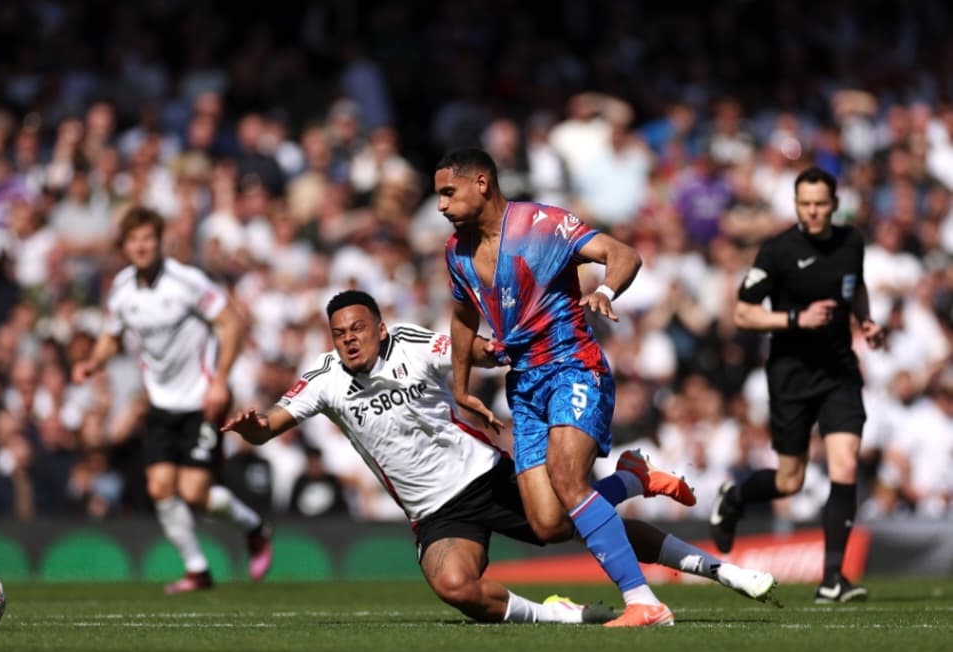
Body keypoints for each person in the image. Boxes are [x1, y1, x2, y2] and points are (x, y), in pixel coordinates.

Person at [223, 291, 776, 626]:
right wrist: (253, 428)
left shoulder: (413, 345)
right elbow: (269, 425)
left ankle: (672, 527)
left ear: (380, 328)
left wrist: (493, 349)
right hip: (435, 512)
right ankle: (559, 614)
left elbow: (471, 352)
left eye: (358, 329)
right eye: (340, 333)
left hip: (484, 477)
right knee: (457, 589)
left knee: (568, 525)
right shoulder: (325, 380)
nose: (348, 341)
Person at [437, 148, 687, 627]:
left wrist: (605, 291)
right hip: (524, 385)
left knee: (568, 479)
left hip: (574, 367)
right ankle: (632, 479)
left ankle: (644, 603)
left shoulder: (542, 223)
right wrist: (463, 385)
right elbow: (463, 315)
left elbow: (623, 255)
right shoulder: (456, 253)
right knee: (548, 523)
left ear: (482, 184)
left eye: (449, 192)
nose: (442, 206)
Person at [72, 205, 272, 593]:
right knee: (160, 487)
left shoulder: (187, 281)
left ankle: (255, 528)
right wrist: (92, 362)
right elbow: (112, 335)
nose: (142, 246)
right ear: (125, 246)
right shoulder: (122, 289)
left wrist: (221, 381)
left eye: (148, 238)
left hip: (202, 400)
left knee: (195, 493)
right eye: (134, 241)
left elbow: (230, 323)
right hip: (161, 404)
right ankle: (197, 570)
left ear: (160, 241)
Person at [710, 166, 886, 603]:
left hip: (839, 372)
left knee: (844, 465)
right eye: (805, 204)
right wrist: (794, 319)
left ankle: (832, 579)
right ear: (795, 205)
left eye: (820, 204)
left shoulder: (852, 242)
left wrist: (865, 321)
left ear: (834, 204)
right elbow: (743, 313)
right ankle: (736, 497)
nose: (812, 211)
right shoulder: (778, 251)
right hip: (791, 375)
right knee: (790, 480)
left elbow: (855, 286)